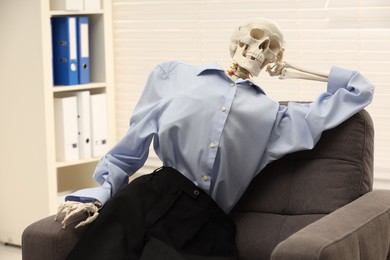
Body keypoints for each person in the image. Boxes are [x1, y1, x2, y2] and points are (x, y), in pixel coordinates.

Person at [57, 18, 374, 260]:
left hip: (205, 220)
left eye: (270, 49)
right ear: (236, 41)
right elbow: (131, 147)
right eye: (255, 40)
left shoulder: (277, 119)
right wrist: (102, 189)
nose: (259, 51)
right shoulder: (172, 75)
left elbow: (360, 90)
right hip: (150, 195)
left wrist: (291, 70)